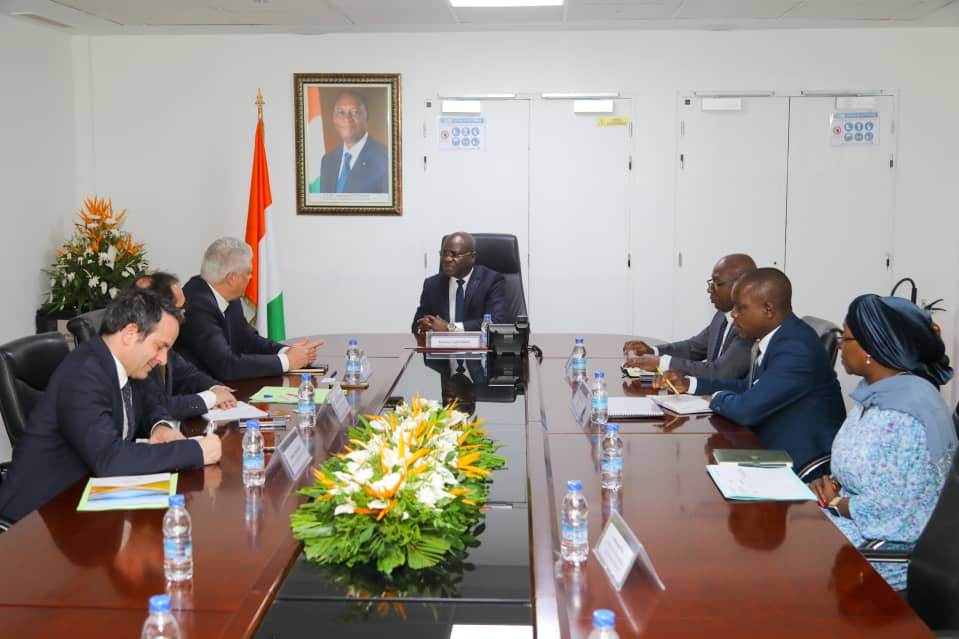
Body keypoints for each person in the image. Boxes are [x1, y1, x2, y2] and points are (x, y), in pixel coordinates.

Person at [0, 289, 221, 523]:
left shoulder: (127, 365)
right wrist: (195, 451)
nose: (163, 359)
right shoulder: (83, 374)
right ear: (130, 334)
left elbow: (150, 403)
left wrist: (161, 426)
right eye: (160, 346)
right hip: (36, 519)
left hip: (84, 501)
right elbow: (111, 459)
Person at [808, 294, 956, 591]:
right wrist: (831, 483)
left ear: (872, 347)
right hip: (854, 530)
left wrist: (834, 502)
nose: (840, 345)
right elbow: (865, 471)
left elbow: (893, 511)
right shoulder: (877, 393)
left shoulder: (905, 415)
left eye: (846, 337)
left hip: (882, 557)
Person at [654, 268, 845, 472]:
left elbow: (747, 409)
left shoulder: (796, 348)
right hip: (768, 445)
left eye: (740, 308)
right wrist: (690, 384)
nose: (733, 314)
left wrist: (715, 398)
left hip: (800, 464)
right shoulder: (781, 336)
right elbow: (749, 387)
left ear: (768, 310)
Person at [176, 238, 323, 381]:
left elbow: (249, 340)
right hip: (201, 390)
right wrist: (287, 361)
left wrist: (287, 352)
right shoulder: (196, 305)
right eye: (248, 273)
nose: (251, 277)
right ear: (232, 278)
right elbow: (226, 365)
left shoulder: (229, 294)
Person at [624, 253, 756, 380]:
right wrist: (653, 351)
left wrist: (661, 363)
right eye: (711, 282)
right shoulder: (722, 315)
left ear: (742, 286)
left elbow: (720, 372)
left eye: (718, 283)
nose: (709, 289)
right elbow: (693, 348)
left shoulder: (750, 326)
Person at [135, 271, 237, 418]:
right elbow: (155, 406)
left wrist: (216, 388)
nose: (184, 315)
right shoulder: (137, 350)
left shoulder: (162, 344)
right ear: (159, 312)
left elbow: (187, 374)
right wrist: (210, 398)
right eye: (180, 309)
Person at [412, 232, 508, 334]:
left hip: (479, 343)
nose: (447, 259)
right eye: (444, 254)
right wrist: (424, 326)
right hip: (443, 344)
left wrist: (450, 327)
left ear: (472, 257)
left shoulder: (491, 281)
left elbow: (496, 322)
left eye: (454, 255)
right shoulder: (432, 285)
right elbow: (416, 325)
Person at [311, 92, 389, 194]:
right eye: (341, 112)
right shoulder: (327, 161)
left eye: (355, 112)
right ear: (334, 119)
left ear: (366, 116)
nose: (347, 118)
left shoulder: (385, 158)